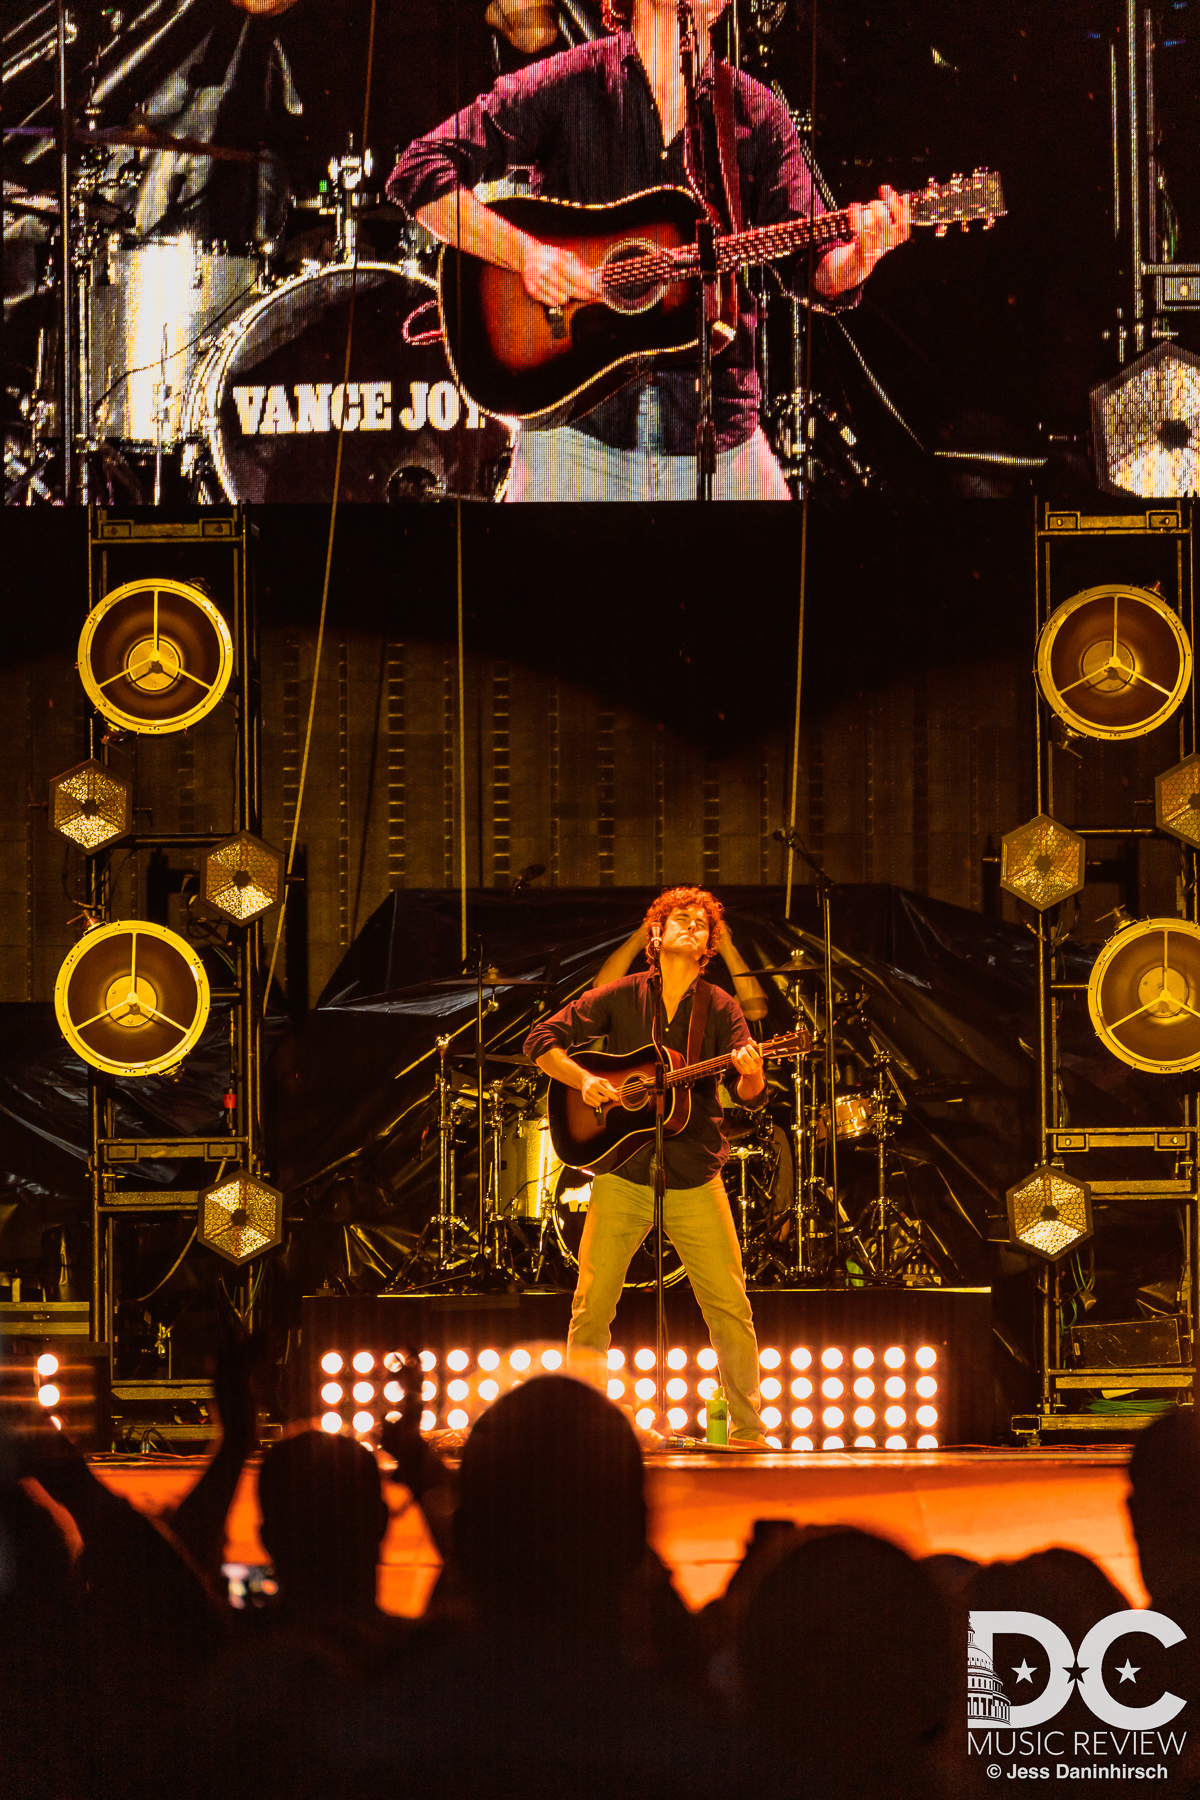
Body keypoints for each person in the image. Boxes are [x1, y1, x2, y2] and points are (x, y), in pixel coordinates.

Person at [388, 0, 909, 500]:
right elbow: (419, 171)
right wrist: (527, 255)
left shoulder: (755, 111)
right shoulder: (567, 82)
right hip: (577, 432)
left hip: (718, 433)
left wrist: (861, 255)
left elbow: (815, 266)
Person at [523, 885, 770, 1444]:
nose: (692, 928)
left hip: (695, 1175)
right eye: (680, 920)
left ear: (709, 943)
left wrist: (752, 1068)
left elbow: (752, 1093)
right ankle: (581, 1430)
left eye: (702, 924)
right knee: (591, 1305)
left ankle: (748, 1432)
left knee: (730, 1307)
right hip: (622, 1175)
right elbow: (540, 1039)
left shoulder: (722, 1007)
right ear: (655, 935)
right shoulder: (623, 994)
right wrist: (585, 1080)